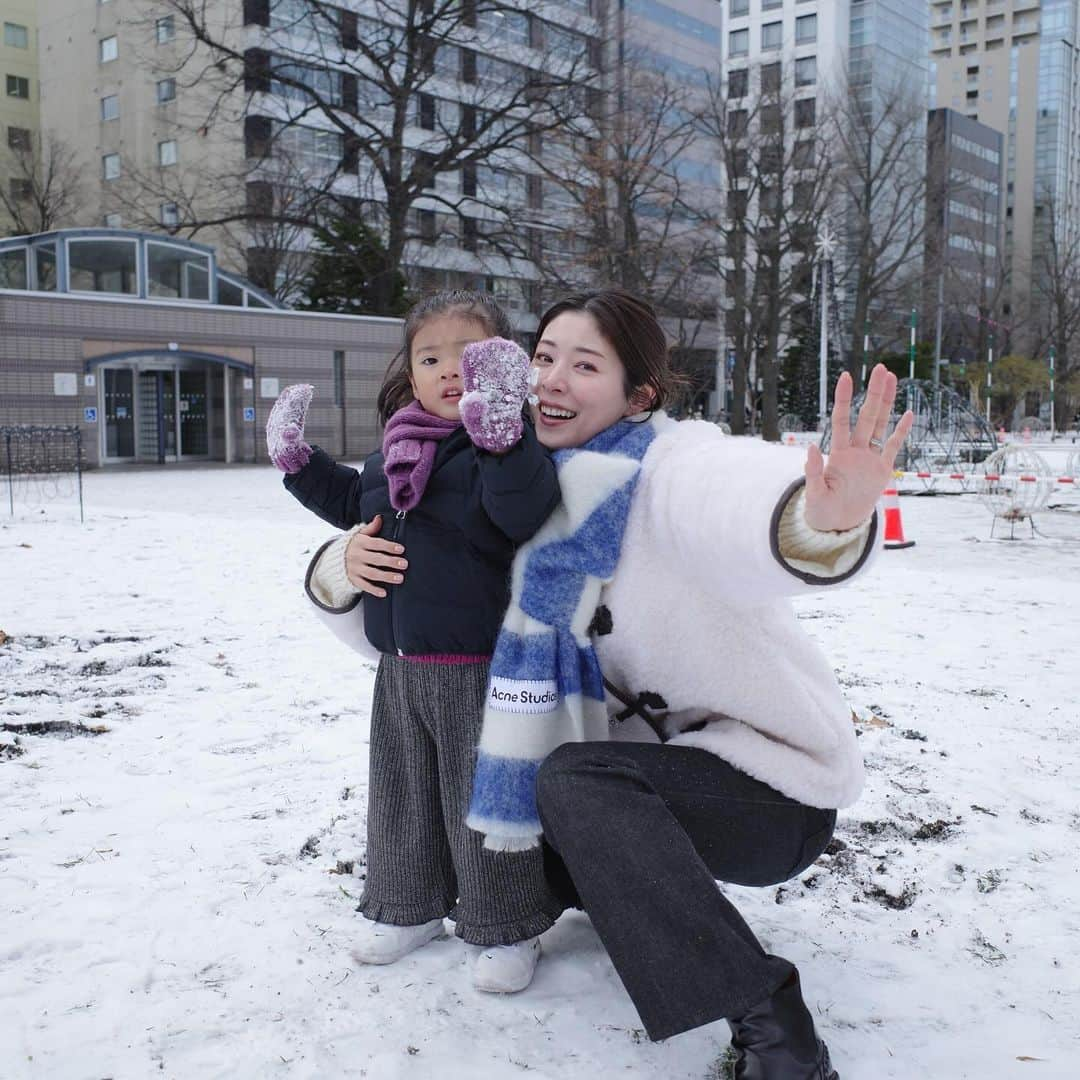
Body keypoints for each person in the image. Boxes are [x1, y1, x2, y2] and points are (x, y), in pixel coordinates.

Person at [307, 289, 913, 1079]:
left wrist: (818, 519)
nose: (552, 381)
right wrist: (340, 566)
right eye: (544, 358)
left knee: (568, 780)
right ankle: (572, 889)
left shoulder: (660, 469)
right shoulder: (506, 482)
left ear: (639, 396)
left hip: (763, 792)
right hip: (630, 789)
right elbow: (426, 627)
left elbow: (726, 496)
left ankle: (773, 1024)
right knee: (492, 820)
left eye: (584, 365)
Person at [266, 290, 564, 995]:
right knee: (402, 797)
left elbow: (524, 512)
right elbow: (349, 499)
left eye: (470, 356)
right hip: (399, 666)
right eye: (431, 357)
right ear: (411, 370)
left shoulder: (500, 451)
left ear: (504, 369)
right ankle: (408, 908)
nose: (448, 370)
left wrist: (501, 438)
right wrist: (296, 461)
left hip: (479, 667)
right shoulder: (396, 450)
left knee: (484, 804)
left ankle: (506, 925)